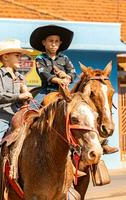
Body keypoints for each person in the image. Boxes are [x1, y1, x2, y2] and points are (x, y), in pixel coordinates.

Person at [30, 25, 118, 155]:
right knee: (32, 109)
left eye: (56, 41)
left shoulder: (64, 58)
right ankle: (30, 136)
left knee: (86, 112)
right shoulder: (40, 59)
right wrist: (59, 79)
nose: (54, 44)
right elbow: (44, 74)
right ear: (44, 43)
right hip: (47, 90)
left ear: (60, 43)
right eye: (50, 41)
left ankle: (102, 143)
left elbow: (72, 72)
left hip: (66, 90)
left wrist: (67, 78)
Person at [0, 39, 33, 199]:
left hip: (19, 115)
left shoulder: (20, 77)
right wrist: (20, 95)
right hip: (2, 117)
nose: (20, 58)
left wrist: (26, 94)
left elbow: (23, 98)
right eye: (17, 55)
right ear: (5, 58)